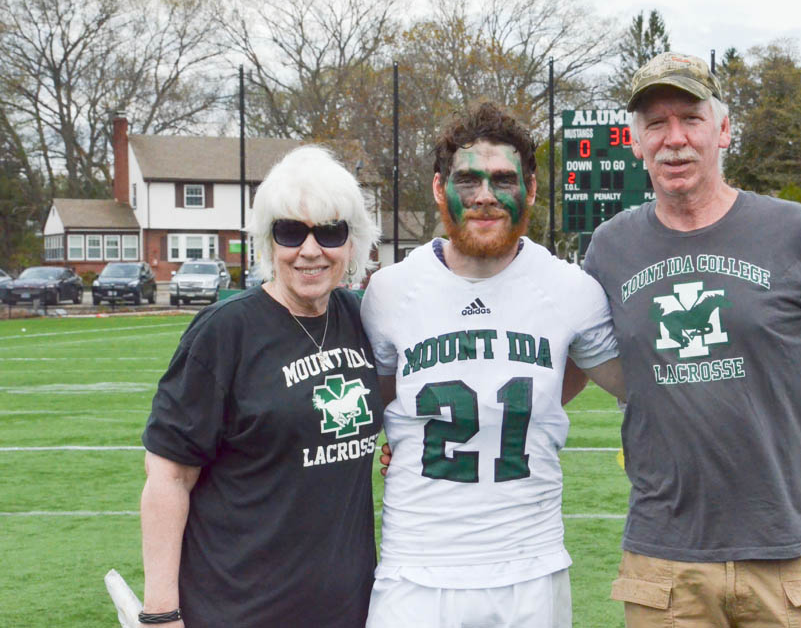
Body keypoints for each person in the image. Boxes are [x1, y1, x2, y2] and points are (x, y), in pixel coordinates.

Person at [583, 52, 801, 628]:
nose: (674, 139)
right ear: (635, 141)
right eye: (656, 123)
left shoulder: (797, 231)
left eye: (691, 119)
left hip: (792, 557)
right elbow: (565, 363)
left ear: (723, 130)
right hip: (664, 562)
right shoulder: (609, 248)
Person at [360, 102, 625, 628]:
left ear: (529, 190)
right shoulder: (390, 291)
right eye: (467, 180)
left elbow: (648, 387)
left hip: (531, 569)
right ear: (440, 189)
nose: (484, 196)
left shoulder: (570, 290)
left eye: (503, 179)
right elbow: (380, 403)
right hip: (416, 570)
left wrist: (798, 386)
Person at [139, 146, 383, 627]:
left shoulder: (362, 319)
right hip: (239, 608)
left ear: (352, 243)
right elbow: (169, 476)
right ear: (268, 243)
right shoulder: (224, 331)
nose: (310, 251)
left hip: (348, 608)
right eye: (290, 231)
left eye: (329, 232)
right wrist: (161, 612)